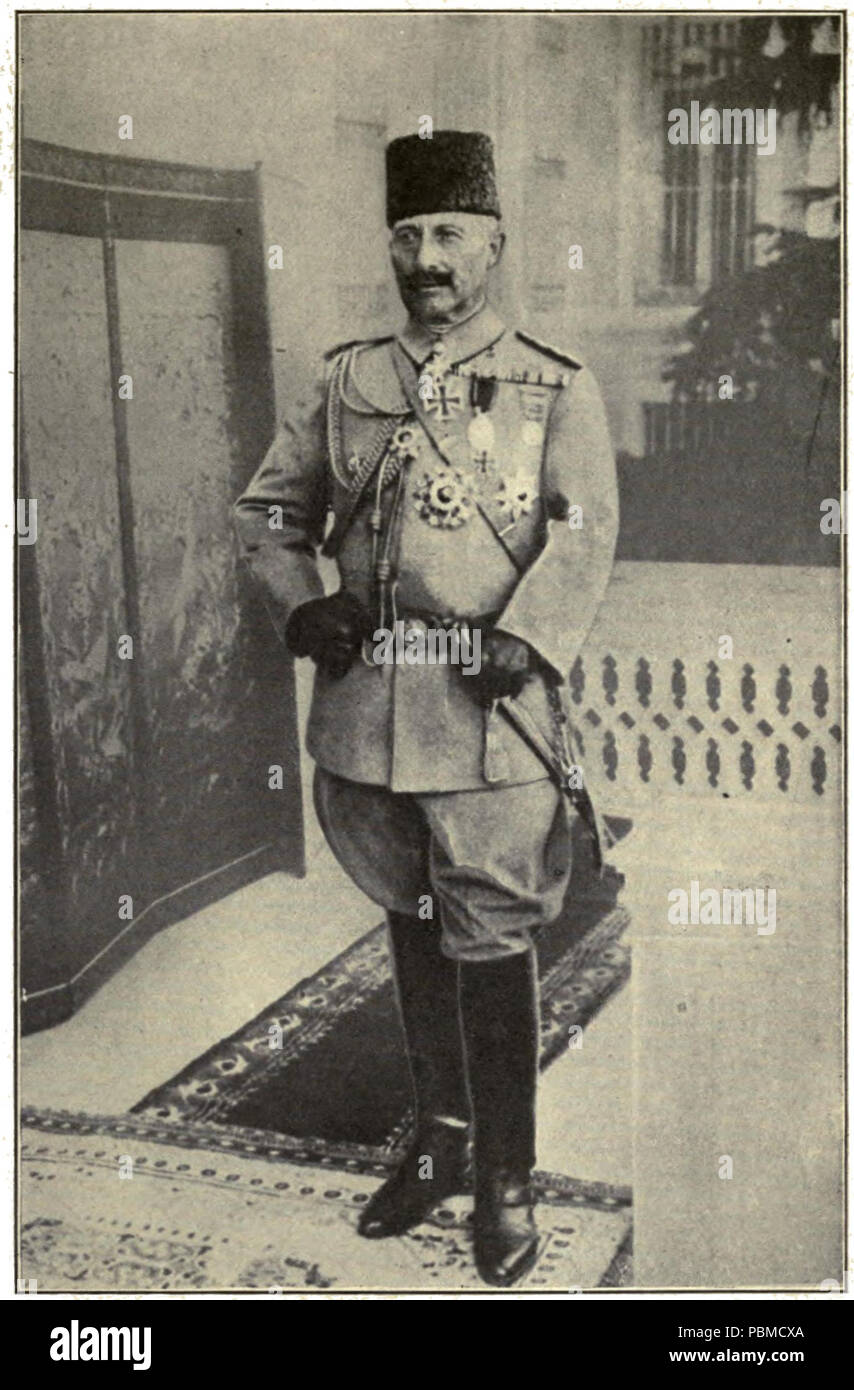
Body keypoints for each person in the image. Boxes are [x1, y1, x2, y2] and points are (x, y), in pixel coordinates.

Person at [233, 129, 618, 1286]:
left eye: (448, 233)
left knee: (491, 940)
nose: (425, 256)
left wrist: (529, 633)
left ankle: (504, 1174)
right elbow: (267, 510)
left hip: (487, 716)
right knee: (409, 920)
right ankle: (442, 1142)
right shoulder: (348, 379)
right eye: (407, 234)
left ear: (493, 244)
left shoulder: (552, 381)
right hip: (367, 718)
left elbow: (584, 525)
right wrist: (306, 605)